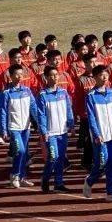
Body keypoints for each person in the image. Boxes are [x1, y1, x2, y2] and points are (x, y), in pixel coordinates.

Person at [83, 65, 112, 203]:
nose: (105, 77)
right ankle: (89, 181)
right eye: (101, 75)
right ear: (94, 77)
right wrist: (96, 134)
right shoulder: (91, 96)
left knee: (111, 163)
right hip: (100, 136)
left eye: (106, 74)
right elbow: (91, 117)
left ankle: (110, 192)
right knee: (101, 162)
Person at [37, 66, 75, 194]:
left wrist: (71, 123)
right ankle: (46, 179)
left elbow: (68, 109)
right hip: (50, 132)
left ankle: (59, 182)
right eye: (52, 75)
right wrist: (44, 131)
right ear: (46, 78)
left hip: (62, 131)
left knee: (60, 158)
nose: (55, 77)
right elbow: (41, 114)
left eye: (56, 75)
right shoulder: (43, 95)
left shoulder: (63, 93)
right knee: (53, 156)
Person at [0, 65, 37, 188]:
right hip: (14, 127)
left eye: (21, 74)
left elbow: (33, 108)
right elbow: (3, 112)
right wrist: (4, 129)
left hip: (26, 127)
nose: (20, 77)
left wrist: (39, 123)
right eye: (16, 74)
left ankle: (22, 177)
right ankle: (14, 174)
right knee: (19, 151)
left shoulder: (27, 91)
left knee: (24, 153)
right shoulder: (6, 93)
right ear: (10, 76)